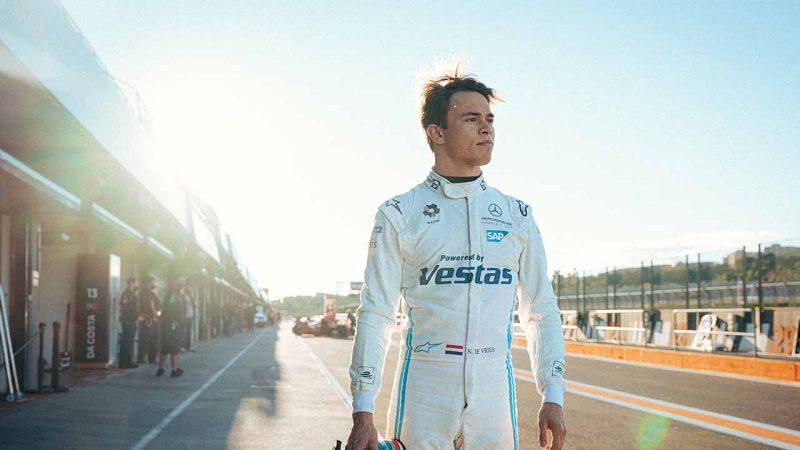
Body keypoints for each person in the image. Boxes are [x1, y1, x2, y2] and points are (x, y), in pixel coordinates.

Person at [346, 70, 567, 450]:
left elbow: (540, 310)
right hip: (425, 387)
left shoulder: (517, 215)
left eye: (490, 119)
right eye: (471, 118)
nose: (486, 128)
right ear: (436, 132)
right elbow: (376, 312)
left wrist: (553, 394)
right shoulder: (400, 213)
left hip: (494, 388)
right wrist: (363, 410)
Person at [157, 277, 187, 377]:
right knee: (174, 348)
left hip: (169, 324)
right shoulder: (174, 295)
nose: (183, 284)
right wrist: (175, 321)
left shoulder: (174, 294)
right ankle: (174, 370)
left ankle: (161, 369)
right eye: (181, 282)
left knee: (165, 348)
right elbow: (171, 310)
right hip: (173, 325)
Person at [118, 276, 139, 369]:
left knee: (130, 341)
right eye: (135, 283)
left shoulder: (133, 294)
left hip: (132, 319)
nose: (136, 285)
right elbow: (126, 308)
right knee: (126, 341)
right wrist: (135, 315)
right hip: (127, 319)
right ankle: (123, 362)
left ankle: (128, 361)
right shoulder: (126, 294)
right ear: (131, 283)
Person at [138, 277, 159, 364]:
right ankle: (141, 358)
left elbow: (159, 304)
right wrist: (144, 316)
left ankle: (152, 358)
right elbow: (139, 307)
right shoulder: (141, 295)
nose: (153, 284)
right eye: (152, 283)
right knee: (144, 339)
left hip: (154, 319)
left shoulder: (153, 294)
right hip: (146, 319)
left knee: (154, 340)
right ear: (147, 283)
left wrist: (158, 313)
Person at [183, 287, 195, 352]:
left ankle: (188, 346)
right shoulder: (184, 297)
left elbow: (194, 305)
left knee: (189, 332)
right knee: (184, 332)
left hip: (190, 315)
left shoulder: (191, 298)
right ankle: (183, 346)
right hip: (185, 316)